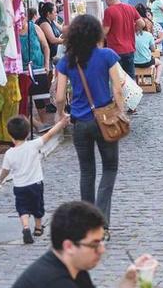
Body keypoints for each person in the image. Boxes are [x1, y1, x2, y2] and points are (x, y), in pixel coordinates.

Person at [55, 15, 124, 228]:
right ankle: (101, 220)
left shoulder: (67, 61)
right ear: (96, 33)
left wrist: (61, 114)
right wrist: (120, 111)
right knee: (110, 168)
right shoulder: (107, 55)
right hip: (105, 120)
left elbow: (59, 97)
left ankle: (87, 222)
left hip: (80, 123)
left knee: (87, 171)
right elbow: (118, 88)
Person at [12, 201, 153, 288]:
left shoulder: (73, 267)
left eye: (101, 241)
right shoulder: (56, 282)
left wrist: (128, 281)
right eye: (94, 244)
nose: (102, 250)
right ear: (69, 246)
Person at [0, 115, 68, 244]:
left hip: (19, 187)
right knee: (37, 206)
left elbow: (5, 171)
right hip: (35, 184)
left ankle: (25, 228)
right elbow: (50, 133)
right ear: (28, 132)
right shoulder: (33, 145)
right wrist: (62, 122)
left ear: (10, 135)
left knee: (22, 208)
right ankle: (38, 228)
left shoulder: (9, 153)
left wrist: (0, 180)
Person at [102, 0, 145, 80]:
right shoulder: (130, 8)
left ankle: (118, 94)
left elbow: (105, 30)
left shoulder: (109, 11)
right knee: (130, 77)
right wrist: (133, 29)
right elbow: (142, 23)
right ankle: (132, 94)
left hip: (115, 50)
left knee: (116, 78)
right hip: (130, 49)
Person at [21, 8, 52, 129]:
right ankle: (35, 125)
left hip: (38, 68)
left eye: (23, 15)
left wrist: (46, 64)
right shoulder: (12, 30)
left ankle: (43, 124)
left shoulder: (34, 27)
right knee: (24, 101)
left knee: (40, 99)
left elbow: (45, 46)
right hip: (21, 71)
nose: (21, 18)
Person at [134, 25, 163, 92]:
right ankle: (157, 80)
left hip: (134, 62)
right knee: (159, 63)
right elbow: (153, 49)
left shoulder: (131, 35)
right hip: (146, 62)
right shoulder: (148, 35)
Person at [36, 2, 64, 66]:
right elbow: (52, 40)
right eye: (55, 12)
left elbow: (62, 29)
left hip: (52, 56)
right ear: (48, 13)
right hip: (46, 57)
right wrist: (66, 41)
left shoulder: (52, 21)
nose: (56, 14)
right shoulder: (44, 23)